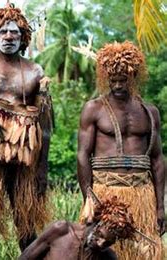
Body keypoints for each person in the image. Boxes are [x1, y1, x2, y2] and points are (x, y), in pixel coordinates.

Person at [0, 5, 52, 250]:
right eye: (3, 32)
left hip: (23, 158)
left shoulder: (34, 71)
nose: (8, 37)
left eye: (14, 32)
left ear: (23, 36)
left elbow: (45, 125)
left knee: (25, 224)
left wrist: (42, 168)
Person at [77, 41, 164, 259]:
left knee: (145, 253)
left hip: (142, 194)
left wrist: (161, 206)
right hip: (105, 193)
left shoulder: (150, 112)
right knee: (101, 252)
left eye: (123, 80)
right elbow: (82, 156)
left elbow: (157, 160)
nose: (117, 86)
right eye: (113, 81)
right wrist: (89, 198)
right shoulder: (93, 109)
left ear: (133, 77)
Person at [20, 196, 136, 260]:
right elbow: (25, 258)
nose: (101, 244)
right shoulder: (61, 230)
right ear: (96, 223)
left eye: (107, 243)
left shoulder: (107, 257)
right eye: (101, 236)